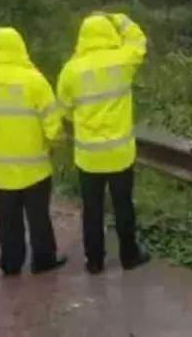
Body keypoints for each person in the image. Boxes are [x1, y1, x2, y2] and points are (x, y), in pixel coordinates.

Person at [58, 14, 149, 274]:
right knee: (123, 205)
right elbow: (138, 40)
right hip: (120, 153)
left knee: (92, 210)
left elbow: (63, 111)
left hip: (89, 156)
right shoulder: (122, 60)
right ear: (109, 33)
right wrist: (119, 19)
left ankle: (94, 261)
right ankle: (129, 255)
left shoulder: (71, 70)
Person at [0, 27, 67, 277]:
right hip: (34, 165)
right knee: (38, 217)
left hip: (3, 167)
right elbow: (52, 124)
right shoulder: (34, 80)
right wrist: (56, 142)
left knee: (7, 219)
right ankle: (43, 260)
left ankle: (11, 263)